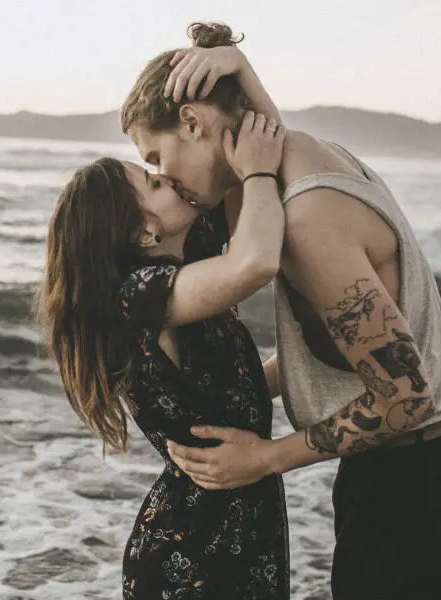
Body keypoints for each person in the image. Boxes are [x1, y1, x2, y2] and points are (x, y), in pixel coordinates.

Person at [120, 22, 441, 600]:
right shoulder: (293, 159)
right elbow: (256, 147)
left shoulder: (308, 220)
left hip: (420, 469)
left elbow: (405, 396)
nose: (164, 178)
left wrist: (264, 459)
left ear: (192, 123)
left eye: (155, 156)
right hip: (405, 460)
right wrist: (241, 72)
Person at [35, 111, 291, 598]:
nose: (168, 177)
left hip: (238, 528)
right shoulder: (140, 295)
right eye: (154, 182)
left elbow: (227, 394)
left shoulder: (183, 266)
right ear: (145, 233)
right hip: (193, 553)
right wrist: (257, 170)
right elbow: (258, 261)